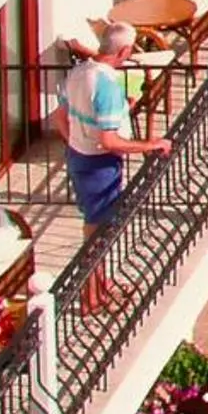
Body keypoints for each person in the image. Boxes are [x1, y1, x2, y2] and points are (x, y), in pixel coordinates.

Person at [55, 22, 173, 307]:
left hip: (79, 158)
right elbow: (109, 141)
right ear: (125, 51)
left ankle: (99, 287)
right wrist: (150, 144)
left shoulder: (78, 72)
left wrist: (79, 141)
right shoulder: (107, 86)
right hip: (99, 165)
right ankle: (90, 297)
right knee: (98, 233)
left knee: (93, 230)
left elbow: (61, 117)